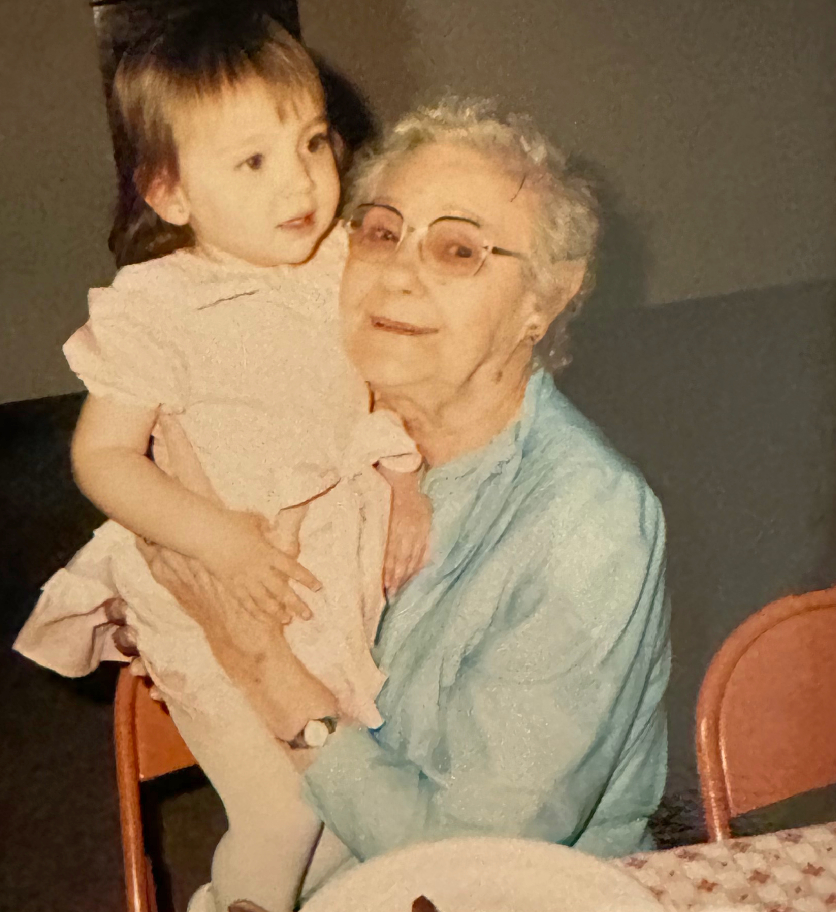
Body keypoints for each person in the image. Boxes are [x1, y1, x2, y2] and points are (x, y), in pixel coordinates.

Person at [131, 98, 671, 899]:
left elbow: (471, 862)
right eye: (381, 233)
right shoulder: (302, 431)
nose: (397, 273)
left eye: (458, 250)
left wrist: (261, 663)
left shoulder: (588, 523)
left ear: (547, 298)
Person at [12, 9, 431, 912]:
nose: (301, 181)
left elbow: (392, 388)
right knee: (283, 813)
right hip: (210, 585)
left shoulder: (343, 263)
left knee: (350, 815)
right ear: (171, 194)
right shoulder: (158, 306)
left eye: (312, 143)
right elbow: (103, 458)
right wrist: (219, 541)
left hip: (335, 577)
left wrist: (406, 484)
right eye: (253, 162)